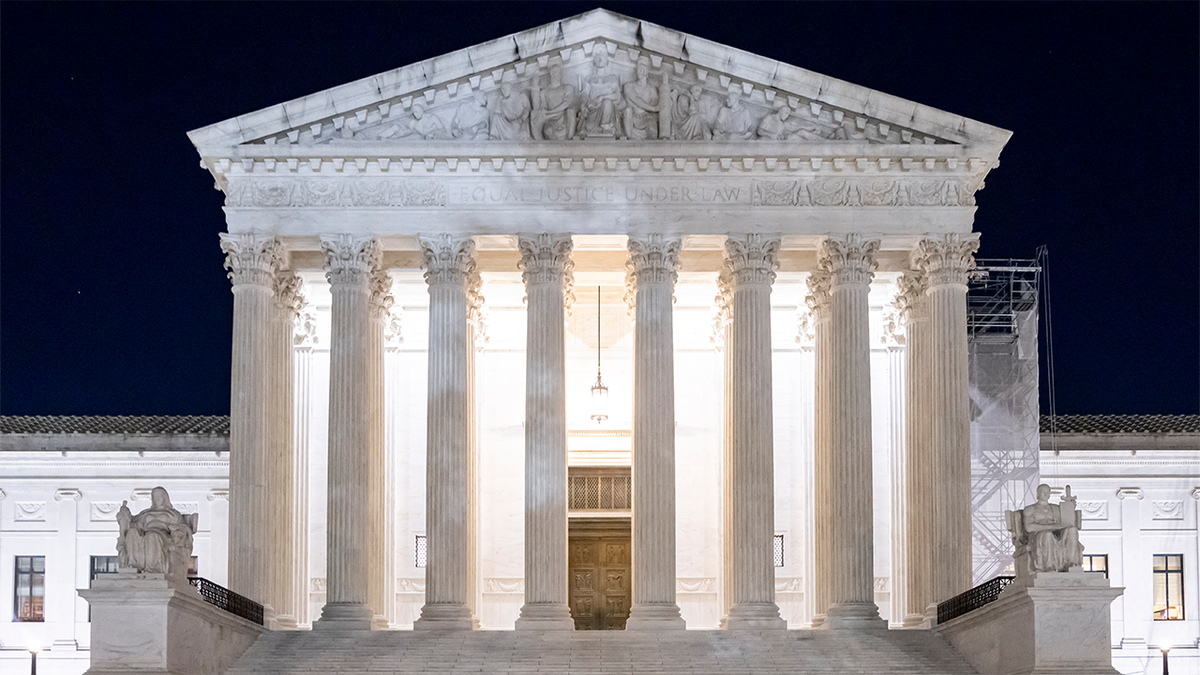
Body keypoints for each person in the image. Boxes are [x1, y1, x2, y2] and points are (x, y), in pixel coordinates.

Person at [116, 487, 195, 577]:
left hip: (163, 536)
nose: (157, 498)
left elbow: (183, 528)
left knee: (152, 536)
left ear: (165, 498)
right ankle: (132, 564)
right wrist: (125, 515)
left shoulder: (173, 514)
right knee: (132, 533)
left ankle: (152, 568)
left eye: (159, 496)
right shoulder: (145, 513)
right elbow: (133, 524)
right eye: (155, 496)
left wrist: (174, 528)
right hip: (145, 533)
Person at [1020, 483, 1083, 573]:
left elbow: (1066, 522)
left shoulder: (1056, 508)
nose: (1046, 494)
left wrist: (1070, 507)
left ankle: (1071, 563)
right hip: (1038, 535)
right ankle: (1049, 566)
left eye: (1047, 492)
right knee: (1047, 534)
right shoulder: (1030, 509)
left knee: (1072, 530)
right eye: (1043, 492)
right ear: (1038, 493)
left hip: (1057, 532)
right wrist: (1050, 526)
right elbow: (1029, 527)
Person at [580, 50, 622, 138]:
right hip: (593, 108)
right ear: (594, 61)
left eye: (603, 57)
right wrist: (585, 104)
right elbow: (585, 94)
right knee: (589, 127)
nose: (600, 59)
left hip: (608, 110)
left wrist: (602, 97)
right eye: (597, 57)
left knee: (607, 102)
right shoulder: (589, 78)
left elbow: (617, 96)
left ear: (607, 61)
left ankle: (605, 126)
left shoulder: (612, 78)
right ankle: (599, 127)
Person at [531, 64, 578, 141]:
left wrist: (550, 112)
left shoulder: (567, 87)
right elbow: (542, 107)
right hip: (550, 119)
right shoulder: (544, 92)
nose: (559, 74)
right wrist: (535, 88)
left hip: (563, 117)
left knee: (570, 110)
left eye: (560, 72)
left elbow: (567, 103)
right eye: (557, 72)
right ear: (551, 74)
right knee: (541, 122)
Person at [622, 60, 661, 140]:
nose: (640, 72)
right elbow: (636, 99)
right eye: (638, 70)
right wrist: (653, 108)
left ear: (647, 72)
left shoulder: (652, 90)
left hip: (646, 119)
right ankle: (629, 140)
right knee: (628, 110)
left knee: (652, 125)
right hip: (632, 118)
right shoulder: (629, 86)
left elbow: (658, 106)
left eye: (643, 69)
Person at [488, 73, 532, 141]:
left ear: (510, 89)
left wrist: (522, 118)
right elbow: (498, 114)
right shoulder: (500, 99)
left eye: (504, 89)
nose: (503, 91)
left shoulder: (521, 96)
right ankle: (493, 137)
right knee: (495, 116)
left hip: (519, 123)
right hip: (506, 124)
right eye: (502, 89)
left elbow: (527, 109)